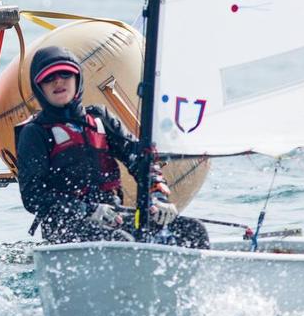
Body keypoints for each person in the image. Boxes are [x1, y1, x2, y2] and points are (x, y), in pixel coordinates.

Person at [15, 46, 210, 248]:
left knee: (193, 231)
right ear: (39, 88)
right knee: (121, 243)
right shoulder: (34, 133)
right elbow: (33, 197)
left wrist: (157, 197)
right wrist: (87, 210)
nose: (58, 81)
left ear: (77, 79)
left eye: (65, 73)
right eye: (49, 78)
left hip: (113, 216)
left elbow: (139, 160)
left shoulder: (100, 119)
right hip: (65, 229)